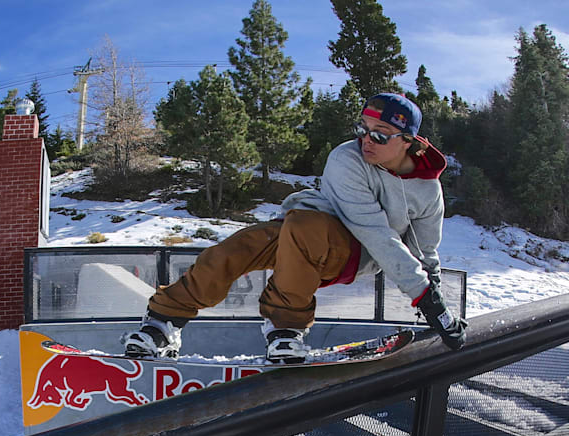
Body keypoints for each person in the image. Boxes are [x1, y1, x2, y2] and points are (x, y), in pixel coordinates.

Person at [124, 93, 467, 362]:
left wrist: (432, 298)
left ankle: (285, 328)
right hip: (308, 231)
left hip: (354, 252)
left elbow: (405, 244)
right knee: (236, 249)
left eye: (380, 135)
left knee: (304, 226)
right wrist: (426, 294)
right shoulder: (346, 158)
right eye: (362, 129)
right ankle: (163, 322)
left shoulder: (427, 191)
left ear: (410, 141)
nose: (367, 141)